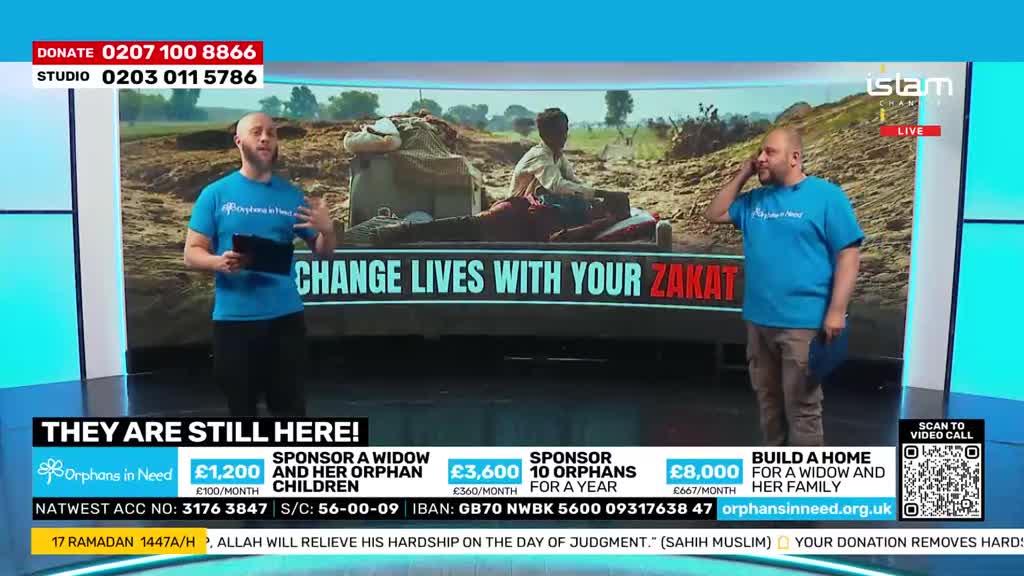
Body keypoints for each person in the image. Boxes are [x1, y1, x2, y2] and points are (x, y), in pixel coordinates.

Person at [704, 127, 863, 446]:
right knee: (769, 408)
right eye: (759, 153)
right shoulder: (754, 201)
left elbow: (849, 253)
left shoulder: (827, 196)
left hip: (803, 326)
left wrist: (836, 312)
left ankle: (804, 490)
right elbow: (715, 213)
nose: (761, 158)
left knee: (802, 409)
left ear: (795, 158)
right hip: (759, 323)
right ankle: (774, 480)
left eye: (769, 153)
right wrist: (744, 172)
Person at [183, 112, 337, 417]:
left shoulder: (292, 197)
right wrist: (219, 261)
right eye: (257, 132)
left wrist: (328, 230)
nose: (265, 138)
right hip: (234, 323)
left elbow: (323, 252)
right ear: (239, 141)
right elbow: (192, 253)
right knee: (242, 411)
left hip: (285, 321)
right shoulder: (215, 195)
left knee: (291, 410)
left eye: (271, 133)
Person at [372, 108, 624, 244]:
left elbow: (575, 184)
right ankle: (397, 232)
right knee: (460, 229)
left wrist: (599, 197)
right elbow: (556, 185)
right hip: (510, 212)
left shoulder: (559, 156)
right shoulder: (540, 155)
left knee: (461, 233)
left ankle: (402, 232)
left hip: (532, 214)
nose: (564, 136)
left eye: (565, 131)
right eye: (559, 132)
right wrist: (602, 195)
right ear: (546, 134)